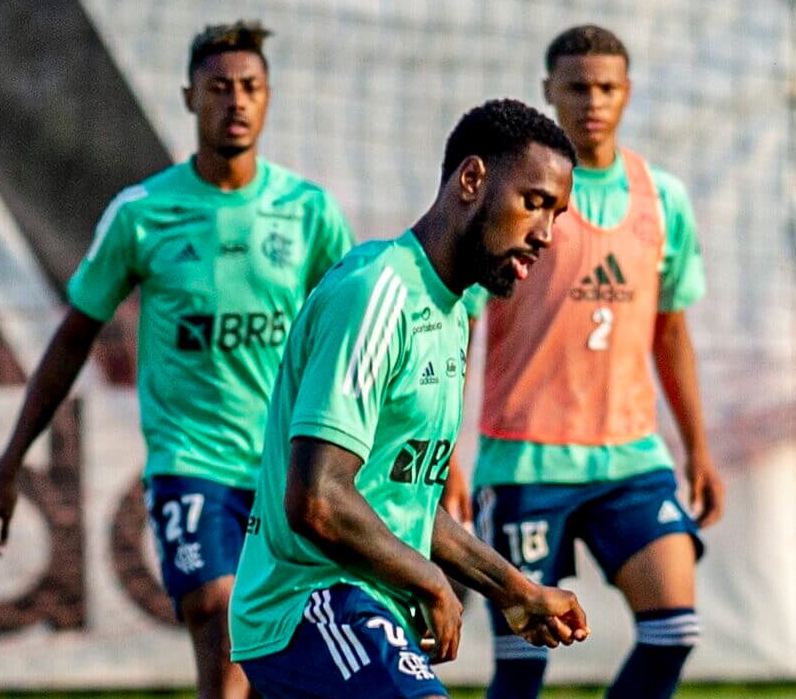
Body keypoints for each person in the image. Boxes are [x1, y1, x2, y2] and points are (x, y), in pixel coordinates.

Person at [0, 20, 354, 699]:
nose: (235, 102)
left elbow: (353, 344)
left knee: (282, 651)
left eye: (250, 88)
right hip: (191, 460)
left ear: (268, 98)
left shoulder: (307, 211)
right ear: (188, 98)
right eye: (218, 88)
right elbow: (71, 338)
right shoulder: (143, 213)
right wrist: (7, 466)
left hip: (287, 468)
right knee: (217, 606)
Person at [229, 99, 589, 699]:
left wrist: (516, 592)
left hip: (357, 605)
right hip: (310, 604)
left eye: (557, 213)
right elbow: (317, 500)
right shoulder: (378, 291)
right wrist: (428, 580)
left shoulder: (448, 313)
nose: (546, 235)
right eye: (534, 202)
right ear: (471, 180)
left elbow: (401, 507)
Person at [469, 25, 725, 699]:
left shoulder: (659, 197)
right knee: (521, 666)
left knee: (674, 629)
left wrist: (697, 448)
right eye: (577, 86)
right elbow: (456, 324)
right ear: (548, 91)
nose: (593, 100)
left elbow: (669, 335)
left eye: (607, 86)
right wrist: (444, 460)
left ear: (627, 93)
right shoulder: (511, 199)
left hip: (630, 459)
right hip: (525, 460)